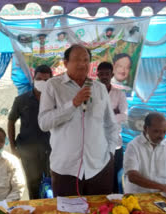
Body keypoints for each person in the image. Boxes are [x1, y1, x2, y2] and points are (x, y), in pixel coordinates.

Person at [38, 44, 119, 196]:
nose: (82, 64)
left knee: (100, 210)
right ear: (65, 63)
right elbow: (44, 122)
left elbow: (110, 124)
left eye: (86, 60)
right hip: (65, 168)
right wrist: (73, 104)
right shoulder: (53, 86)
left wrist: (110, 153)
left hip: (99, 166)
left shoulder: (99, 88)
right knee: (68, 211)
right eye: (76, 59)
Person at [8, 65, 52, 199]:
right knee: (33, 183)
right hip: (28, 149)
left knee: (53, 181)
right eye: (39, 79)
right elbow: (11, 121)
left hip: (51, 148)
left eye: (46, 80)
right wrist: (12, 146)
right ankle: (34, 208)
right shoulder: (21, 100)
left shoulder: (55, 100)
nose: (42, 83)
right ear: (33, 79)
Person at [123, 112, 166, 194]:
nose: (161, 136)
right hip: (137, 197)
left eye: (164, 132)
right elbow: (133, 177)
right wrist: (163, 187)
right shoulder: (133, 146)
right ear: (145, 128)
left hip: (162, 196)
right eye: (156, 131)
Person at [97, 62, 128, 193]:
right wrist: (113, 112)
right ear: (97, 75)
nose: (104, 76)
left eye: (107, 74)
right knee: (99, 175)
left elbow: (125, 116)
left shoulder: (119, 94)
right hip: (97, 142)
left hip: (115, 142)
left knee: (116, 175)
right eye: (102, 74)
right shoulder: (92, 93)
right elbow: (90, 117)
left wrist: (105, 116)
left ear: (112, 75)